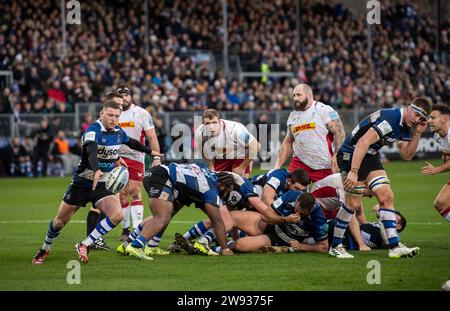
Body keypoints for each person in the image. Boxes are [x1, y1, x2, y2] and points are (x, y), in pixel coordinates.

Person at [32, 100, 161, 265]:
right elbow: (91, 150)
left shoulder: (117, 131)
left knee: (117, 215)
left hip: (102, 184)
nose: (113, 119)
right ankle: (45, 248)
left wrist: (151, 151)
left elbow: (132, 143)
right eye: (110, 115)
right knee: (59, 222)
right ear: (102, 114)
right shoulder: (93, 130)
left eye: (116, 116)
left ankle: (84, 244)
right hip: (82, 183)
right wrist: (97, 168)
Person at [329, 97, 431, 259]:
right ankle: (336, 246)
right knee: (353, 203)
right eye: (417, 115)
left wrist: (417, 133)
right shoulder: (391, 119)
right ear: (409, 108)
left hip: (370, 155)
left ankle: (394, 245)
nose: (417, 120)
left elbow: (406, 155)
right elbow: (363, 142)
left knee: (386, 195)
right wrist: (354, 171)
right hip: (352, 153)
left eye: (421, 119)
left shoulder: (406, 126)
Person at [118, 163, 235, 260]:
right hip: (162, 177)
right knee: (162, 217)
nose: (225, 195)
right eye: (226, 191)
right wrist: (225, 249)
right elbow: (217, 221)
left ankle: (131, 244)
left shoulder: (204, 171)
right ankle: (136, 245)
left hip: (158, 174)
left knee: (167, 214)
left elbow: (187, 189)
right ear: (221, 184)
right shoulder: (211, 190)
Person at [115, 85, 162, 247]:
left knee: (135, 192)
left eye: (126, 95)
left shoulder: (141, 113)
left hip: (136, 157)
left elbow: (152, 136)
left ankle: (137, 229)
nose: (124, 98)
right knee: (122, 193)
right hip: (116, 157)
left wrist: (156, 156)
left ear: (131, 97)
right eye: (121, 95)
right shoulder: (114, 113)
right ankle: (125, 230)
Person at [274, 84, 345, 182]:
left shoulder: (323, 109)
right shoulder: (292, 116)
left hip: (323, 165)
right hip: (299, 163)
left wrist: (336, 155)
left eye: (299, 95)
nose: (295, 98)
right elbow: (288, 141)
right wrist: (277, 166)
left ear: (309, 95)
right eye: (294, 95)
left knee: (323, 196)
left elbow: (340, 132)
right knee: (289, 193)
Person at [231, 190, 328, 254]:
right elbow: (265, 217)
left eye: (302, 214)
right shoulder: (292, 195)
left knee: (240, 245)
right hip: (270, 224)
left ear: (310, 211)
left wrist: (303, 247)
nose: (297, 213)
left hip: (280, 239)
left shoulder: (319, 218)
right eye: (296, 209)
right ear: (297, 201)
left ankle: (226, 246)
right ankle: (219, 241)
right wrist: (285, 220)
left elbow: (324, 247)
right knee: (231, 216)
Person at [195, 109, 260, 178]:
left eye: (214, 122)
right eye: (207, 123)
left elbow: (256, 146)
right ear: (203, 124)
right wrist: (210, 165)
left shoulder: (235, 129)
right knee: (217, 183)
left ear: (219, 122)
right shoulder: (200, 133)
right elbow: (203, 152)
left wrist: (242, 167)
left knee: (239, 182)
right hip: (221, 158)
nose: (211, 127)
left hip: (240, 156)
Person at [421, 104, 450, 222]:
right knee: (441, 203)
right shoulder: (437, 136)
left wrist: (436, 169)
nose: (428, 121)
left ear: (445, 119)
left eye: (433, 118)